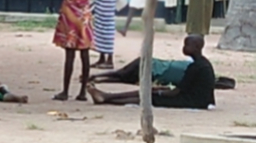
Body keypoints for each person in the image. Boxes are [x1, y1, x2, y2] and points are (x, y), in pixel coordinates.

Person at [87, 35, 216, 109]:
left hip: (193, 101)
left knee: (148, 96)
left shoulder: (197, 67)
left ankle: (108, 98)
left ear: (196, 47)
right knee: (149, 91)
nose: (183, 48)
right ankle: (107, 96)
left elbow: (177, 92)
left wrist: (160, 92)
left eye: (187, 45)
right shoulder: (201, 64)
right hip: (193, 97)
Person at [52, 0, 103, 101]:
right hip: (84, 18)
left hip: (69, 16)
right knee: (84, 54)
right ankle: (82, 92)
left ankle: (65, 91)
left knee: (69, 55)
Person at [90, 54, 233, 90]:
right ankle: (99, 77)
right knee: (122, 76)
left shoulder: (194, 67)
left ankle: (98, 77)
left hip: (153, 66)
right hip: (154, 69)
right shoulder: (194, 73)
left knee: (122, 75)